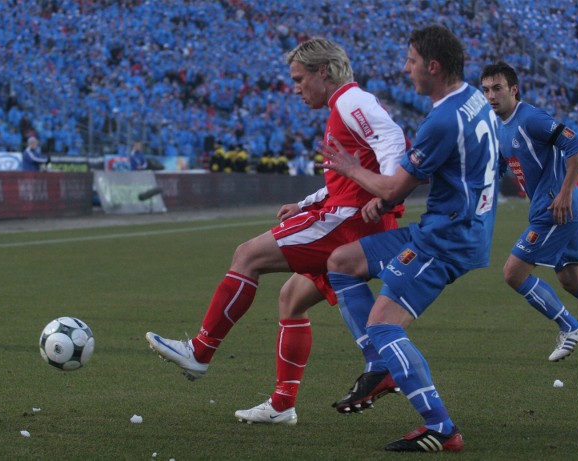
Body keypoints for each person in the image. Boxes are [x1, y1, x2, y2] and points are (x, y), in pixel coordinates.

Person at [146, 37, 409, 425]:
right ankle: (283, 404)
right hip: (351, 216)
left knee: (247, 255)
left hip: (349, 222)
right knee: (291, 299)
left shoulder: (353, 101)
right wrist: (306, 203)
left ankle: (200, 351)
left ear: (324, 72)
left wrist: (387, 195)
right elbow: (348, 177)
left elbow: (393, 142)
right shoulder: (344, 106)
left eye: (300, 79)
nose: (296, 88)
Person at [319, 25, 499, 452]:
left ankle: (442, 428)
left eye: (411, 60)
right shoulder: (473, 98)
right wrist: (384, 200)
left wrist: (351, 169)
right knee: (341, 262)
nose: (406, 68)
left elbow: (393, 188)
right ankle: (381, 366)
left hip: (447, 238)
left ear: (432, 67)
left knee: (382, 324)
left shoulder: (441, 119)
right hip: (457, 226)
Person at [480, 61, 578, 364]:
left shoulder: (531, 118)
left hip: (556, 210)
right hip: (551, 209)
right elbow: (506, 162)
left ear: (514, 89)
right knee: (573, 280)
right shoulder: (501, 125)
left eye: (497, 88)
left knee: (513, 272)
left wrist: (565, 192)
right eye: (486, 90)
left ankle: (569, 326)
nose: (491, 95)